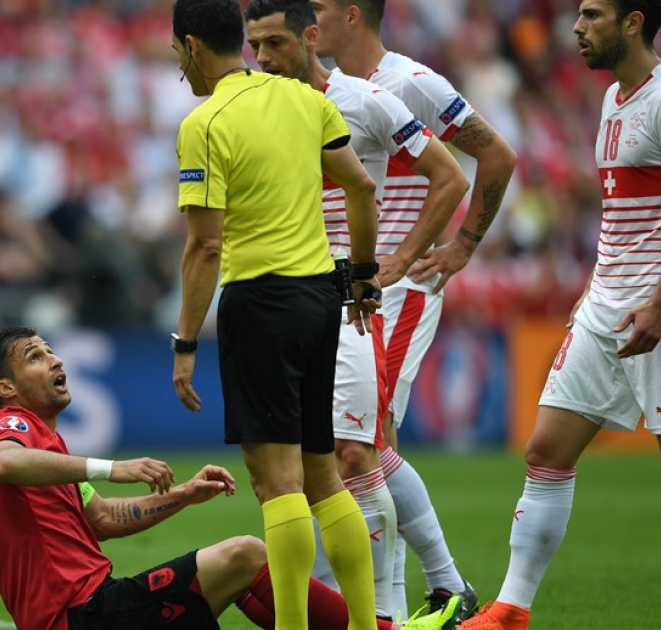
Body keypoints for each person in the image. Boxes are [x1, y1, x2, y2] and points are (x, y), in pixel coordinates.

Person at [460, 2, 661, 629]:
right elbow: (623, 214)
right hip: (603, 306)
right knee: (546, 449)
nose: (577, 26)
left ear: (632, 21)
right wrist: (596, 286)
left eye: (593, 14)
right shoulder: (613, 100)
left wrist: (659, 303)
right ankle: (511, 609)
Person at [0, 326, 462, 630]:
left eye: (50, 350)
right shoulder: (9, 426)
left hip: (94, 609)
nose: (55, 359)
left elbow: (102, 519)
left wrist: (184, 495)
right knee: (244, 555)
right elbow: (5, 464)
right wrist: (113, 468)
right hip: (82, 615)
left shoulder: (48, 446)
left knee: (236, 576)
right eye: (35, 356)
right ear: (5, 387)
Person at [241, 0, 469, 622]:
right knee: (306, 468)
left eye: (275, 43)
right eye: (254, 46)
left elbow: (450, 177)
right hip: (283, 301)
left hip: (347, 303)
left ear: (310, 37)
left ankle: (390, 610)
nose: (263, 58)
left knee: (353, 455)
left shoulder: (365, 100)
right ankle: (370, 606)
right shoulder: (254, 107)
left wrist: (396, 260)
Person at [167, 0, 386, 627]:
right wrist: (362, 276)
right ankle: (364, 623)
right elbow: (361, 185)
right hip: (320, 299)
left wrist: (185, 343)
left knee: (276, 483)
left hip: (260, 302)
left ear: (191, 47)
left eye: (177, 54)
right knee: (322, 477)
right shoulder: (304, 98)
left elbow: (205, 246)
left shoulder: (204, 123)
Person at [309, 0, 518, 618]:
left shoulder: (412, 83)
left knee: (361, 445)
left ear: (352, 15)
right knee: (355, 446)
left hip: (394, 291)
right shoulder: (321, 91)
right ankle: (401, 603)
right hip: (342, 288)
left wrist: (459, 246)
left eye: (318, 8)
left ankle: (436, 590)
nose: (308, 20)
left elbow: (497, 155)